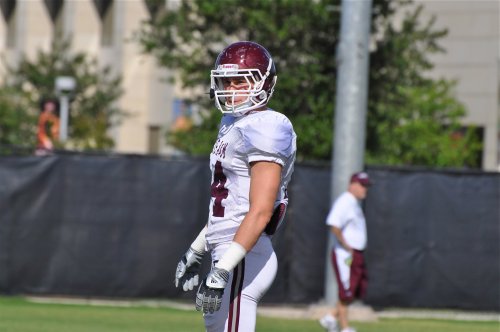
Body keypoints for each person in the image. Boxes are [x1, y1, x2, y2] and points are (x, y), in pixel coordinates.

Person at [174, 41, 296, 332]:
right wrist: (197, 248)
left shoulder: (267, 125)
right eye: (227, 81)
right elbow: (230, 205)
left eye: (240, 81)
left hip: (243, 255)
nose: (231, 88)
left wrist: (223, 269)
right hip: (227, 251)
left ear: (264, 83)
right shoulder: (231, 123)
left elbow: (260, 210)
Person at [320, 171, 372, 332]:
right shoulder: (345, 201)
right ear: (353, 184)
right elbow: (333, 224)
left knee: (356, 290)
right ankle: (344, 328)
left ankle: (330, 318)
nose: (365, 189)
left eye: (366, 186)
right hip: (346, 255)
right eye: (362, 185)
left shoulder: (354, 203)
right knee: (346, 292)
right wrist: (347, 245)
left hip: (356, 254)